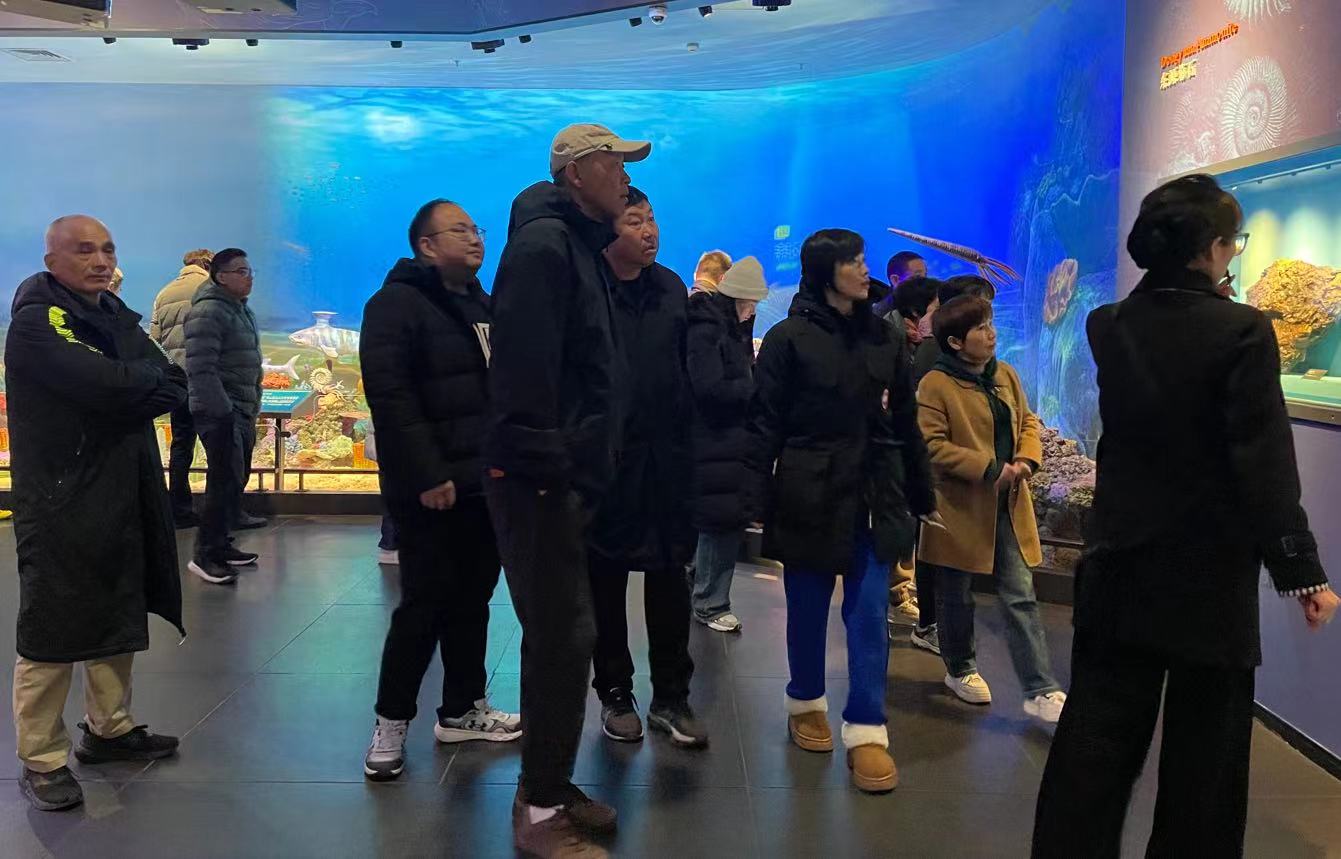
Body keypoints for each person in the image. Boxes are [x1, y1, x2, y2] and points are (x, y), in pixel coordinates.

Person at [1032, 175, 1338, 858]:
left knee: (1094, 741)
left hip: (1119, 558)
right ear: (1208, 249)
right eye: (1232, 241)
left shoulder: (1108, 324)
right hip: (1209, 571)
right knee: (1208, 756)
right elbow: (1261, 460)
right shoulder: (1242, 330)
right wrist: (1302, 570)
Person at [484, 122, 650, 859]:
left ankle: (549, 782)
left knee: (566, 634)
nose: (626, 178)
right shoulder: (545, 248)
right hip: (539, 479)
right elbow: (522, 371)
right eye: (614, 164)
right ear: (576, 173)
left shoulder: (574, 245)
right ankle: (540, 809)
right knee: (562, 636)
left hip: (562, 475)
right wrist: (549, 466)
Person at [6, 215, 185, 811]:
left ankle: (109, 730)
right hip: (58, 500)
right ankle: (42, 757)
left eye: (107, 249)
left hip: (118, 492)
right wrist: (133, 390)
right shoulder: (37, 322)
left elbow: (172, 379)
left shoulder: (111, 313)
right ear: (52, 260)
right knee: (51, 626)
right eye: (85, 250)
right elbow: (107, 383)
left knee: (116, 605)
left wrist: (129, 389)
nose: (101, 261)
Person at [750, 229, 936, 794]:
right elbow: (764, 424)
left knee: (870, 610)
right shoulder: (787, 338)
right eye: (852, 261)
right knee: (806, 606)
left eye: (862, 259)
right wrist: (754, 499)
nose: (863, 269)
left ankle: (867, 726)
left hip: (875, 491)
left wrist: (921, 491)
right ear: (824, 270)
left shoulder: (885, 337)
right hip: (808, 490)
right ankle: (806, 699)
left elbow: (906, 421)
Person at [359, 198, 521, 783]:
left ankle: (463, 708)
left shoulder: (481, 303)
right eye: (460, 230)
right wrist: (428, 474)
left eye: (476, 229)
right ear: (426, 245)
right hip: (428, 489)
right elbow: (391, 398)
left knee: (474, 599)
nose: (475, 238)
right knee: (422, 606)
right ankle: (390, 723)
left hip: (482, 484)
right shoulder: (394, 305)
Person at [585, 187, 704, 748]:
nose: (649, 231)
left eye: (652, 219)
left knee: (671, 581)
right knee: (604, 582)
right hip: (608, 465)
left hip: (668, 463)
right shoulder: (588, 288)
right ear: (608, 230)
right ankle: (615, 692)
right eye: (634, 221)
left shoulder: (671, 287)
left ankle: (672, 697)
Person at [916, 295, 1067, 723]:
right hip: (959, 508)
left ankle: (1040, 687)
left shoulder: (1005, 374)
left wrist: (1027, 459)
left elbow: (1028, 420)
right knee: (955, 593)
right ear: (955, 341)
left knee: (1020, 593)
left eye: (990, 324)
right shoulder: (935, 384)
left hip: (1009, 505)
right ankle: (960, 667)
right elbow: (931, 445)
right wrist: (987, 468)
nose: (991, 334)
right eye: (980, 328)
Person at [897, 274, 996, 651]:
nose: (989, 326)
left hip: (963, 475)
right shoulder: (933, 356)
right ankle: (930, 624)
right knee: (933, 548)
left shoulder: (991, 367)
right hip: (937, 473)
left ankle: (936, 624)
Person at [687, 256, 768, 634]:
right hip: (717, 441)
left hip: (722, 443)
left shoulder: (719, 326)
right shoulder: (709, 328)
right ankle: (711, 601)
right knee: (719, 524)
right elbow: (709, 387)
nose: (753, 310)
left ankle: (704, 595)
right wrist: (753, 390)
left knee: (717, 523)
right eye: (752, 302)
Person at [184, 248, 263, 585]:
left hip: (240, 409)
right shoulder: (210, 311)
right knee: (221, 482)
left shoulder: (239, 309)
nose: (249, 278)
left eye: (250, 271)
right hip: (220, 412)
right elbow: (201, 368)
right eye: (241, 271)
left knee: (233, 479)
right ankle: (205, 555)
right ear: (221, 276)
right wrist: (223, 411)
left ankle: (221, 544)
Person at [151, 248, 214, 527]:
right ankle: (218, 510)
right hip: (207, 380)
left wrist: (170, 371)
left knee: (181, 445)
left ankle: (179, 510)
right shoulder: (211, 290)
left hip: (177, 382)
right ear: (208, 265)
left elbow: (154, 340)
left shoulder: (164, 294)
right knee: (218, 447)